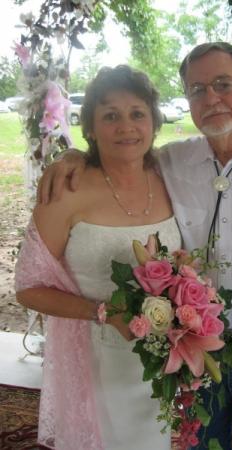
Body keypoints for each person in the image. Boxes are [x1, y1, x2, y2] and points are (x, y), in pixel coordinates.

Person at [37, 42, 232, 450]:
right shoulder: (168, 163)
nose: (211, 99)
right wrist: (71, 157)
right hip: (193, 352)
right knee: (199, 445)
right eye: (197, 90)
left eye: (222, 85)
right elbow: (117, 155)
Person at [15, 65, 182, 450]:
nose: (126, 126)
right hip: (96, 359)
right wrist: (105, 313)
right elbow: (27, 289)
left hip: (160, 355)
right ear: (90, 127)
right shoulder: (65, 190)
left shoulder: (169, 175)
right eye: (110, 116)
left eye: (137, 114)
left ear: (154, 123)